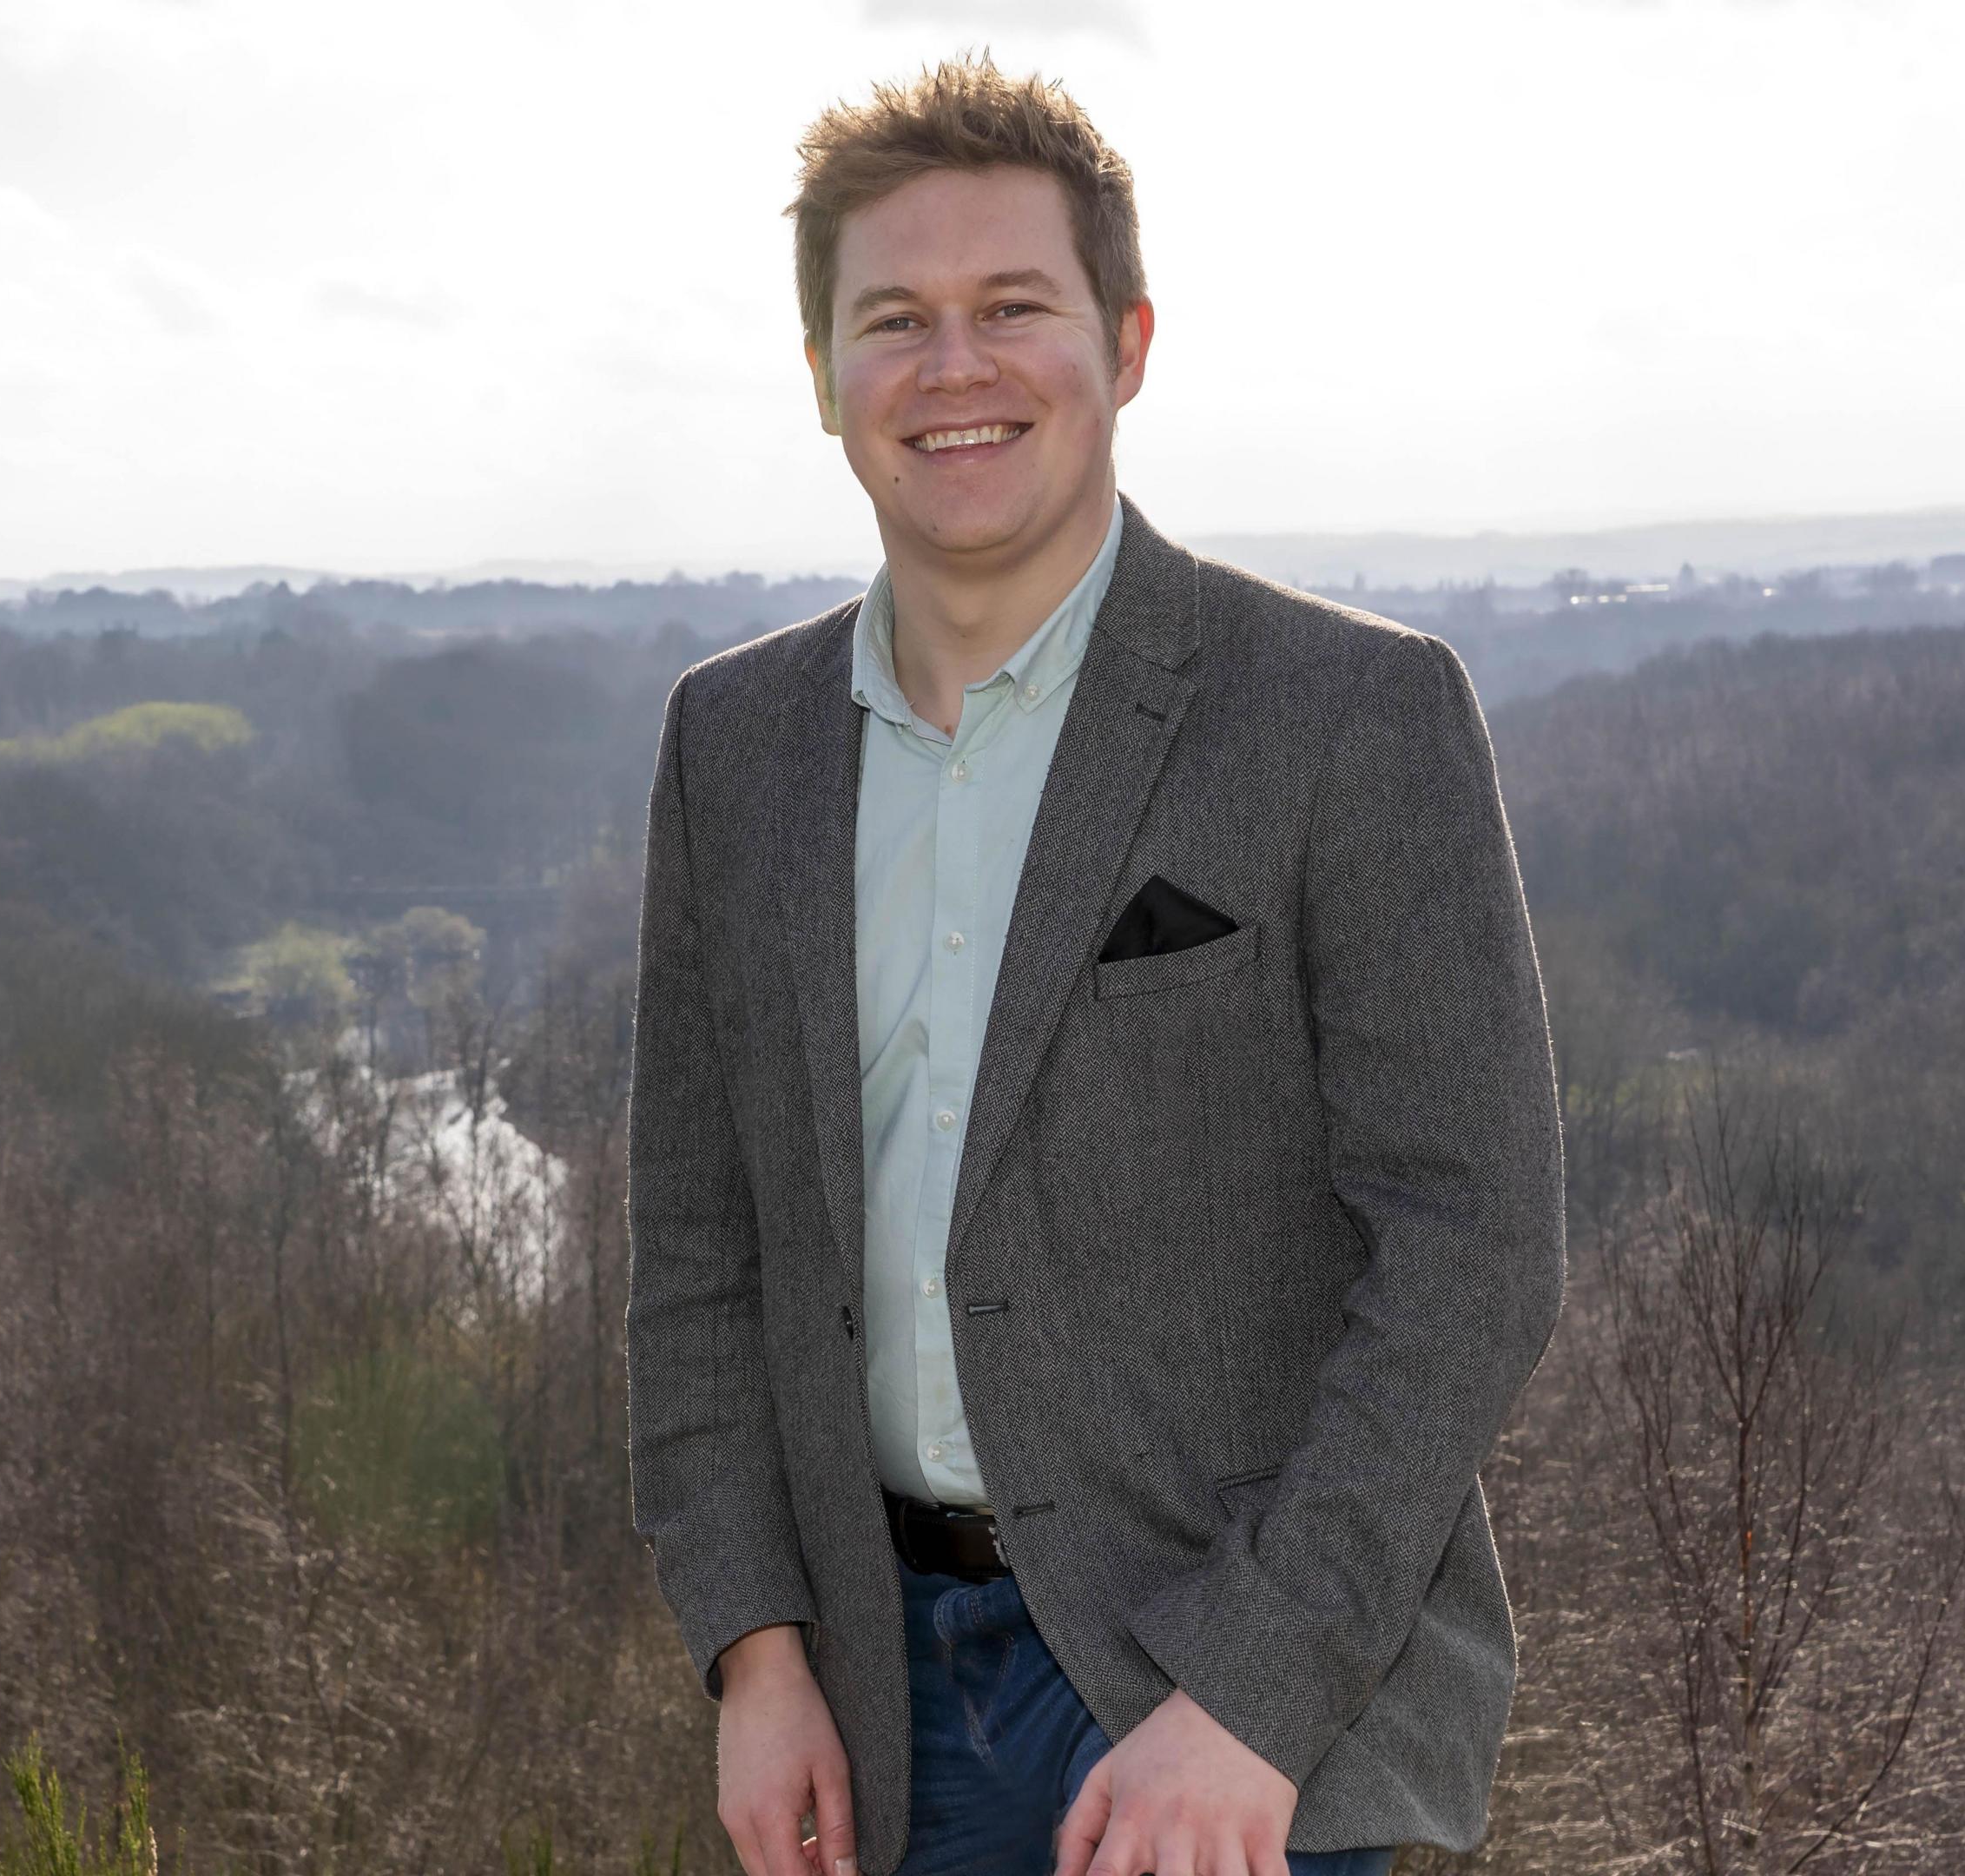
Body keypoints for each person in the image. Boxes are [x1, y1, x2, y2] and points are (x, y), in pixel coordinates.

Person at [623, 54, 1568, 1876]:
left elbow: (1473, 1249)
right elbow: (697, 1244)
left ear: (1126, 342)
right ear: (820, 376)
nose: (953, 368)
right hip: (871, 1708)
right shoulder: (726, 748)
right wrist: (755, 1648)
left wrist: (1252, 1699)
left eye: (1013, 309)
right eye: (892, 318)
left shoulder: (1348, 716)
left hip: (1238, 1707)